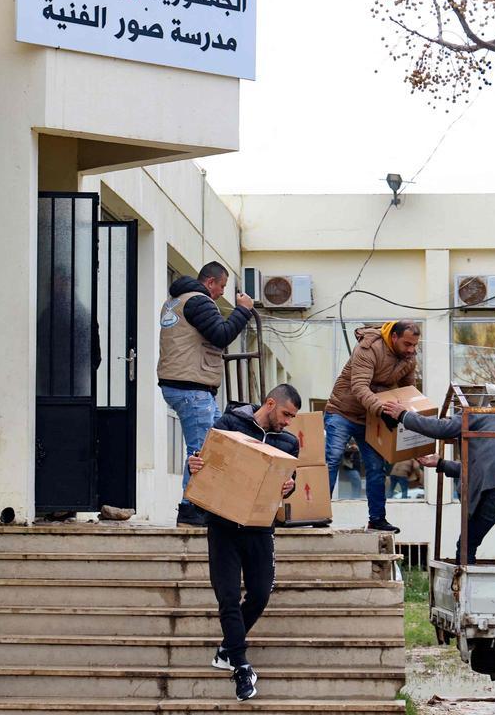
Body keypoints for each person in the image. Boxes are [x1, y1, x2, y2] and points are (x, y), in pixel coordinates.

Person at [187, 384, 301, 702]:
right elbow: (206, 462)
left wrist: (290, 486)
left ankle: (226, 650)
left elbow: (287, 485)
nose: (289, 422)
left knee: (260, 592)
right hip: (222, 523)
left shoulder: (288, 443)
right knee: (227, 596)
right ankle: (240, 665)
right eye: (286, 414)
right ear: (269, 403)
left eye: (293, 417)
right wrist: (193, 465)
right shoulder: (229, 424)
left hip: (259, 527)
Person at [382, 399, 495, 565]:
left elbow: (442, 429)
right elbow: (477, 469)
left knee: (467, 545)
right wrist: (440, 464)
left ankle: (466, 590)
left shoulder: (474, 414)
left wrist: (403, 415)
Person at [158, 262, 254, 527]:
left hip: (183, 385)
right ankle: (191, 508)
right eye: (222, 286)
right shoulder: (199, 301)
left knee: (209, 445)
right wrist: (243, 311)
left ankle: (201, 504)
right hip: (192, 389)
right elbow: (221, 335)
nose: (222, 292)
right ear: (210, 282)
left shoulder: (175, 301)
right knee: (201, 451)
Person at [324, 320, 420, 533]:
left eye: (415, 345)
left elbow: (409, 391)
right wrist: (382, 410)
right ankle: (319, 513)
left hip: (370, 418)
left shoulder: (408, 358)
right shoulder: (369, 348)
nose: (412, 350)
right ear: (393, 337)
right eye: (407, 344)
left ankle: (377, 519)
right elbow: (359, 387)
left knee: (376, 468)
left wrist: (411, 418)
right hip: (342, 411)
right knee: (332, 458)